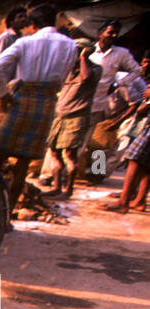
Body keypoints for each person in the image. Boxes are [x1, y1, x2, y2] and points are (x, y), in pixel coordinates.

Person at [0, 3, 78, 217]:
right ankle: (6, 215)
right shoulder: (70, 45)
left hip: (22, 100)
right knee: (23, 165)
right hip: (46, 103)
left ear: (33, 24)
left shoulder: (26, 42)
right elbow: (64, 79)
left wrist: (3, 94)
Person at [45, 39, 101, 197]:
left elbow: (85, 77)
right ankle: (57, 186)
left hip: (81, 116)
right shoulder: (67, 69)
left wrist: (83, 57)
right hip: (59, 116)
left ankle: (73, 187)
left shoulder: (95, 69)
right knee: (54, 152)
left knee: (73, 154)